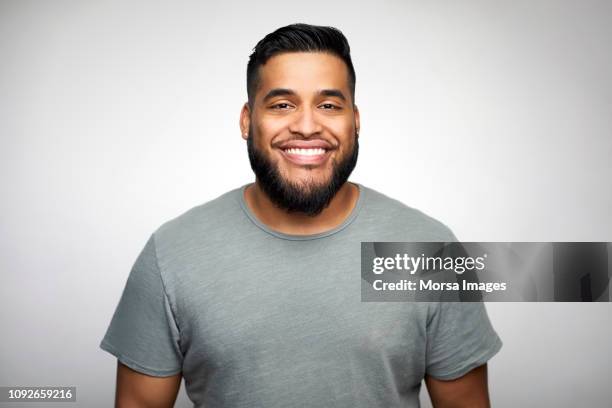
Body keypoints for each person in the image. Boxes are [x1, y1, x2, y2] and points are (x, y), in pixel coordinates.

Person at [100, 23, 502, 408]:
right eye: (282, 104)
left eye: (328, 105)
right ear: (247, 120)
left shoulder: (428, 251)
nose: (307, 126)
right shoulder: (172, 254)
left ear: (355, 121)